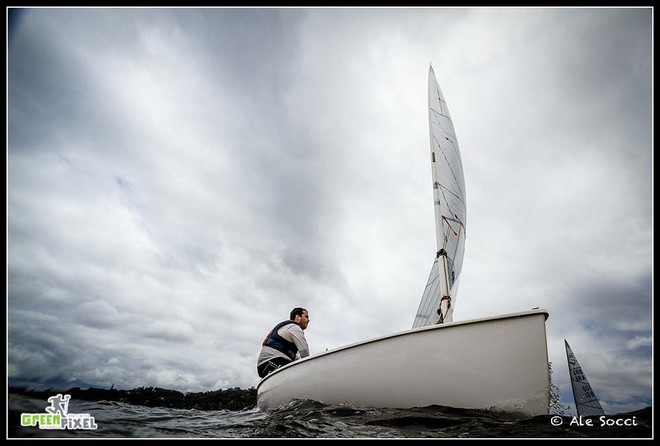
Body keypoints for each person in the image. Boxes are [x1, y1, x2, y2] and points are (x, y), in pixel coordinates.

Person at [257, 307, 310, 378]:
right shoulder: (294, 327)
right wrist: (309, 370)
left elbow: (297, 359)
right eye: (306, 317)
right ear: (297, 317)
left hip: (264, 366)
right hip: (271, 362)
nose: (308, 320)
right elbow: (304, 351)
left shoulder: (289, 330)